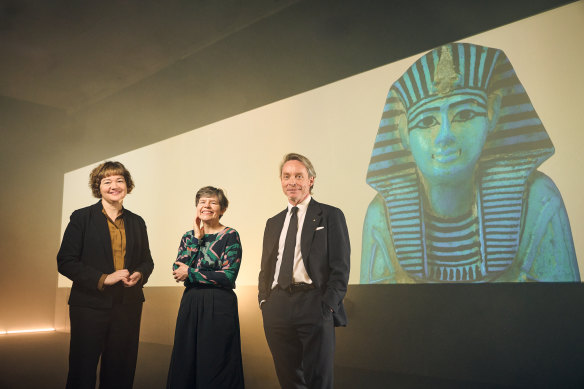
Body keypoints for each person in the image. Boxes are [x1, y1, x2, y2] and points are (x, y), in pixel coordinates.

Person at [361, 42, 580, 283]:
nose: (445, 135)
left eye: (464, 115)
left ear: (491, 114)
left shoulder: (539, 201)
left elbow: (562, 312)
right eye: (427, 122)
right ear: (403, 132)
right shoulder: (381, 215)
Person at [57, 161, 154, 389]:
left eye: (119, 180)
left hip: (128, 305)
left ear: (127, 186)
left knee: (121, 370)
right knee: (83, 370)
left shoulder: (137, 221)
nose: (114, 185)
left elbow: (147, 260)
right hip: (89, 305)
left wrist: (139, 273)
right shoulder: (81, 218)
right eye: (107, 181)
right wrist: (104, 278)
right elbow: (66, 261)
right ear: (98, 187)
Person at [258, 153, 350, 389]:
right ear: (280, 181)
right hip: (277, 306)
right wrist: (264, 301)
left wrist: (328, 304)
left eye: (299, 176)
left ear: (311, 180)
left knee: (318, 379)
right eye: (286, 176)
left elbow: (340, 267)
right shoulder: (273, 222)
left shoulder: (330, 215)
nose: (292, 181)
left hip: (314, 304)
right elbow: (266, 267)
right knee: (289, 379)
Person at [167, 186, 244, 389]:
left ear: (222, 209)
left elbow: (228, 276)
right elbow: (177, 270)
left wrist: (191, 273)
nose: (206, 206)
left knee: (216, 361)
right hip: (191, 302)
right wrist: (196, 238)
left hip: (219, 304)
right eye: (202, 202)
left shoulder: (230, 235)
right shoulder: (188, 237)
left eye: (213, 202)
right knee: (186, 360)